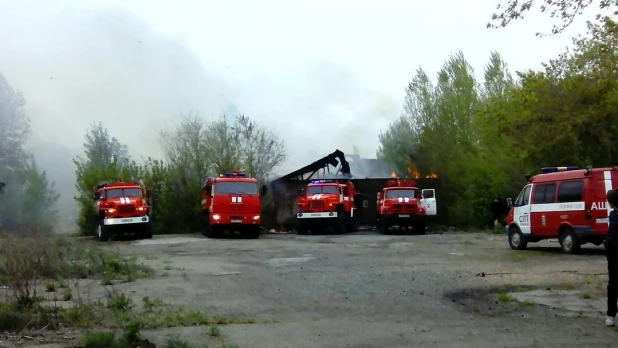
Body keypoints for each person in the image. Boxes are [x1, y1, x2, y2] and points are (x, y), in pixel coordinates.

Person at [604, 189, 618, 327]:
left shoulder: (615, 216)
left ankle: (610, 314)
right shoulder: (613, 215)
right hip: (613, 254)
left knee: (613, 284)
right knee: (613, 284)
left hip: (614, 253)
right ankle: (611, 313)